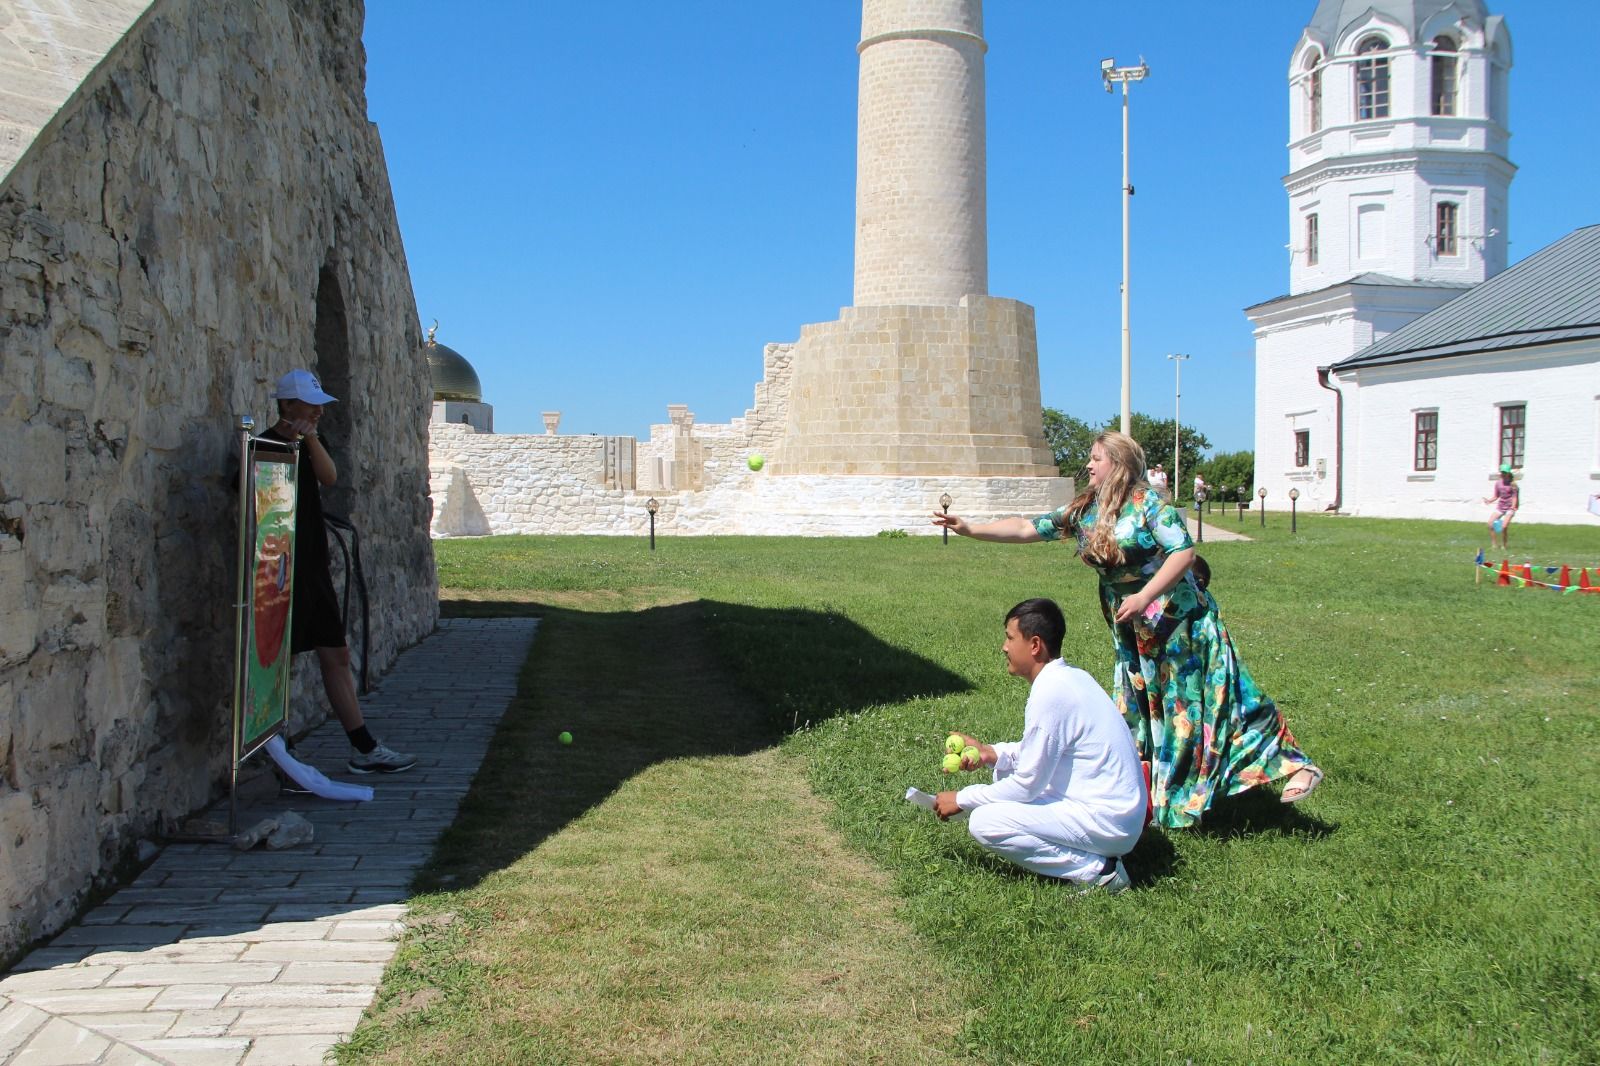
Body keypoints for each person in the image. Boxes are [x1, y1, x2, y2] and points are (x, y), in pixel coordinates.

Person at [932, 431, 1322, 829]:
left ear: (1118, 465)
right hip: (1134, 631)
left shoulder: (1148, 505)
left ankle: (1295, 765)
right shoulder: (1087, 510)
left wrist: (1145, 596)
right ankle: (1162, 797)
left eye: (1096, 458)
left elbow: (1183, 552)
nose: (1088, 465)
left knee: (1212, 701)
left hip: (1180, 623)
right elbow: (1025, 527)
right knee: (1147, 709)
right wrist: (970, 527)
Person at [262, 369, 416, 774]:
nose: (317, 412)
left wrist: (309, 438)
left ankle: (364, 748)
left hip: (313, 567)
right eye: (309, 406)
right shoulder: (263, 446)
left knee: (337, 653)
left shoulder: (310, 445)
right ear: (287, 405)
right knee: (275, 661)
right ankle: (279, 745)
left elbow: (329, 477)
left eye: (319, 407)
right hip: (275, 571)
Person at [933, 599, 1144, 892]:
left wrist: (963, 798)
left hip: (1110, 823)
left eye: (1009, 638)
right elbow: (1043, 750)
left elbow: (1028, 784)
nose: (1004, 647)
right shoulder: (1068, 678)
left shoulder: (1052, 692)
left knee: (985, 822)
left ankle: (1099, 872)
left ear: (1034, 645)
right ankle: (1096, 859)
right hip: (1115, 815)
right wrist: (992, 753)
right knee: (1002, 776)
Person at [1484, 464, 1519, 551]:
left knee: (1504, 526)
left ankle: (1504, 546)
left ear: (1508, 473)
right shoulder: (1498, 483)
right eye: (1502, 472)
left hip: (1510, 508)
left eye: (1505, 472)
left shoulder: (1513, 484)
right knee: (1490, 523)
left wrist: (1513, 507)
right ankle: (1494, 545)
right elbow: (1496, 496)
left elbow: (1515, 497)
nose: (1503, 474)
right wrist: (1489, 501)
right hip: (1500, 507)